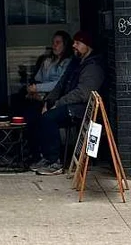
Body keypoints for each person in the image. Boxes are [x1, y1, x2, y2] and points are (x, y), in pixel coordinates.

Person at [33, 30, 105, 174]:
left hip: (82, 108)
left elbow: (82, 94)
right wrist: (48, 101)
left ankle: (54, 162)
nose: (74, 45)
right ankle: (44, 156)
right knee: (36, 114)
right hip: (69, 103)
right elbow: (61, 84)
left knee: (49, 118)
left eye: (78, 43)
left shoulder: (93, 67)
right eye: (74, 42)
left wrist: (58, 104)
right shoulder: (76, 62)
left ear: (87, 46)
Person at [19, 30, 73, 158]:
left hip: (55, 98)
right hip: (40, 95)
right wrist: (34, 90)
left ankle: (43, 153)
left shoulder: (68, 62)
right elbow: (38, 79)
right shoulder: (48, 61)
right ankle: (31, 151)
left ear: (65, 45)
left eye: (58, 42)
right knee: (24, 109)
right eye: (53, 42)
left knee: (38, 116)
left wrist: (37, 89)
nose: (54, 45)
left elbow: (59, 83)